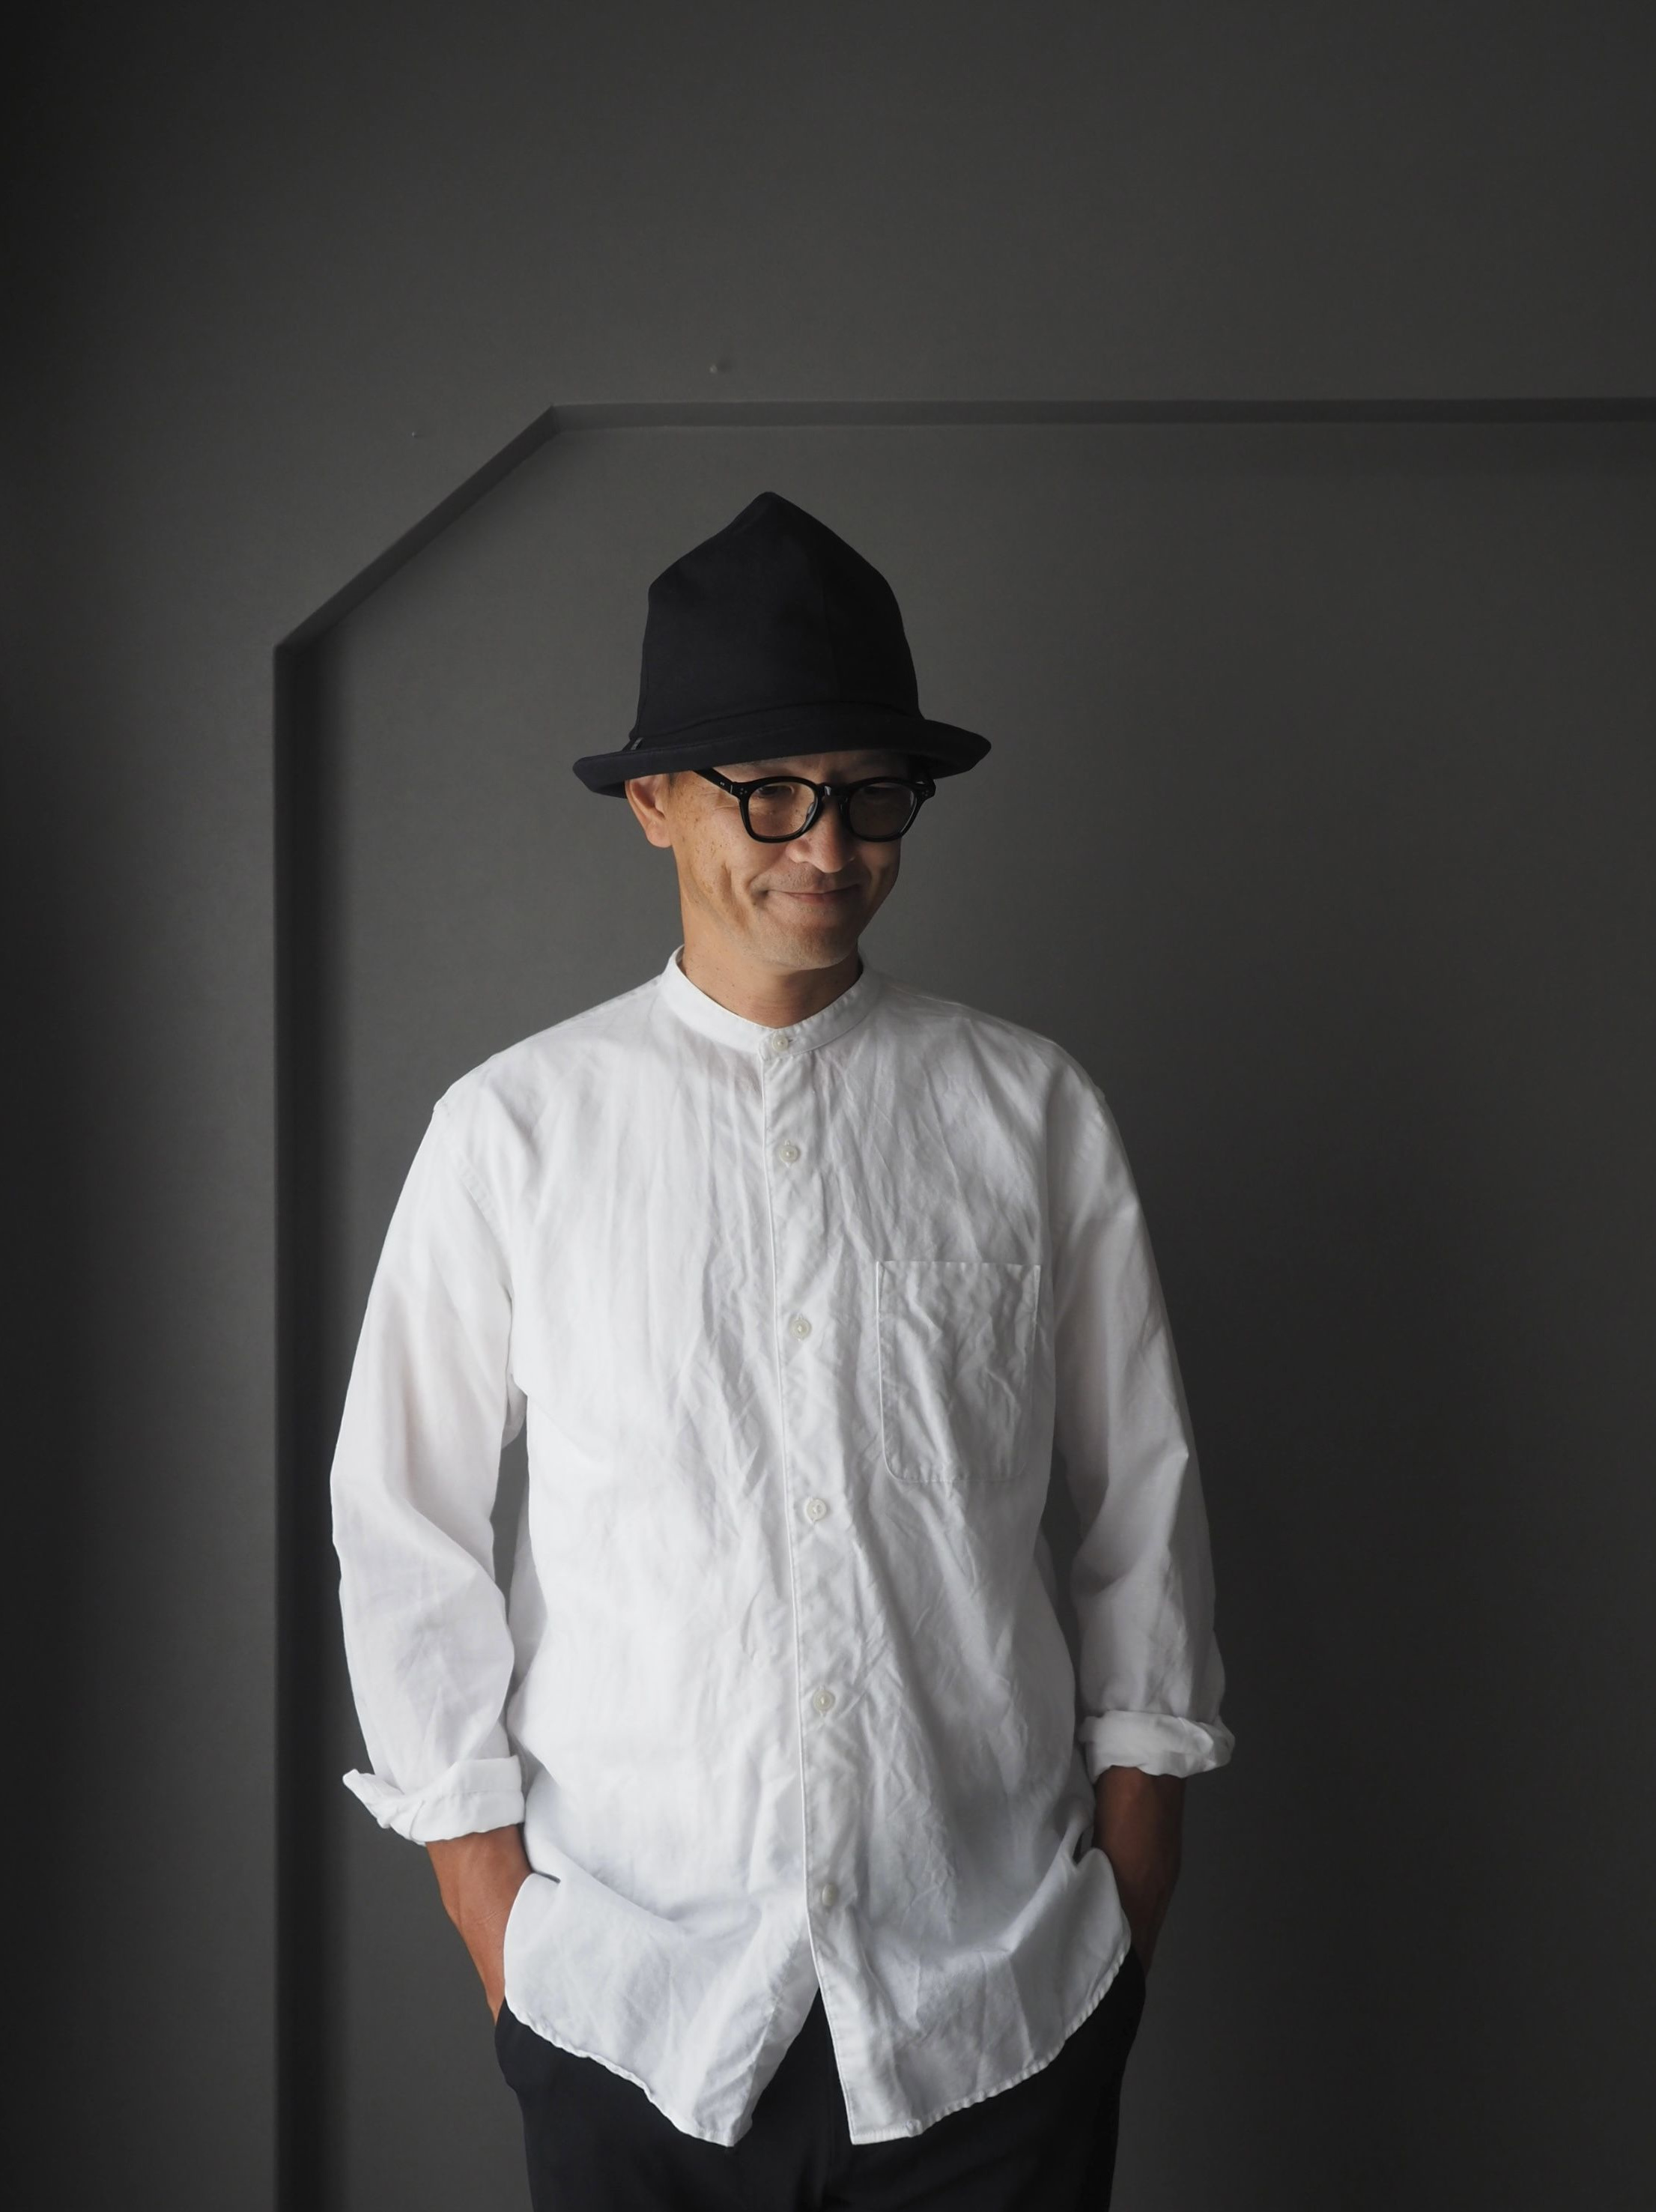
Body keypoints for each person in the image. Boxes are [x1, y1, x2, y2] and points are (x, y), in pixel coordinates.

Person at [330, 489, 1235, 2211]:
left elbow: (1141, 1504)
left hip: (998, 2008)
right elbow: (403, 1530)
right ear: (654, 803)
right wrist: (499, 1927)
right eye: (770, 791)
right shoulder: (512, 1131)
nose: (825, 846)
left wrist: (1122, 1901)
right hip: (627, 2011)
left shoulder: (1029, 1114)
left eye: (871, 793)